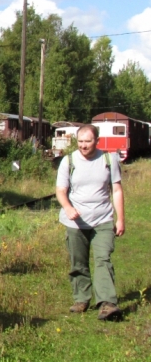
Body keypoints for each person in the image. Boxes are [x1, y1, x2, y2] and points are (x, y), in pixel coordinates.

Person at [55, 124, 125, 320]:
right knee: (78, 262)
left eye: (88, 141)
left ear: (97, 141)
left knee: (103, 259)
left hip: (103, 219)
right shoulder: (68, 161)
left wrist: (120, 219)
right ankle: (82, 299)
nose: (84, 146)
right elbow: (60, 191)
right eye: (81, 141)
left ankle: (107, 303)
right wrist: (68, 208)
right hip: (76, 223)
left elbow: (117, 191)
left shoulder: (108, 159)